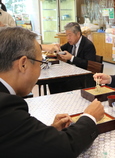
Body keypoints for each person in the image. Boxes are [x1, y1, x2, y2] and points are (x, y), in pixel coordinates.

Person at [0, 27, 105, 158]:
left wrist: (50, 131)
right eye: (40, 63)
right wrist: (90, 117)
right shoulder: (6, 106)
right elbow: (64, 148)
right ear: (23, 64)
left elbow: (18, 141)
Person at [49, 22, 96, 94]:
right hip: (72, 73)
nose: (68, 38)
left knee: (59, 82)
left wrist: (71, 58)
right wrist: (56, 48)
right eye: (66, 35)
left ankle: (63, 100)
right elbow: (61, 48)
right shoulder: (71, 43)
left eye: (70, 35)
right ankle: (58, 101)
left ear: (78, 34)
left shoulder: (87, 45)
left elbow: (88, 64)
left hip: (83, 76)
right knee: (53, 80)